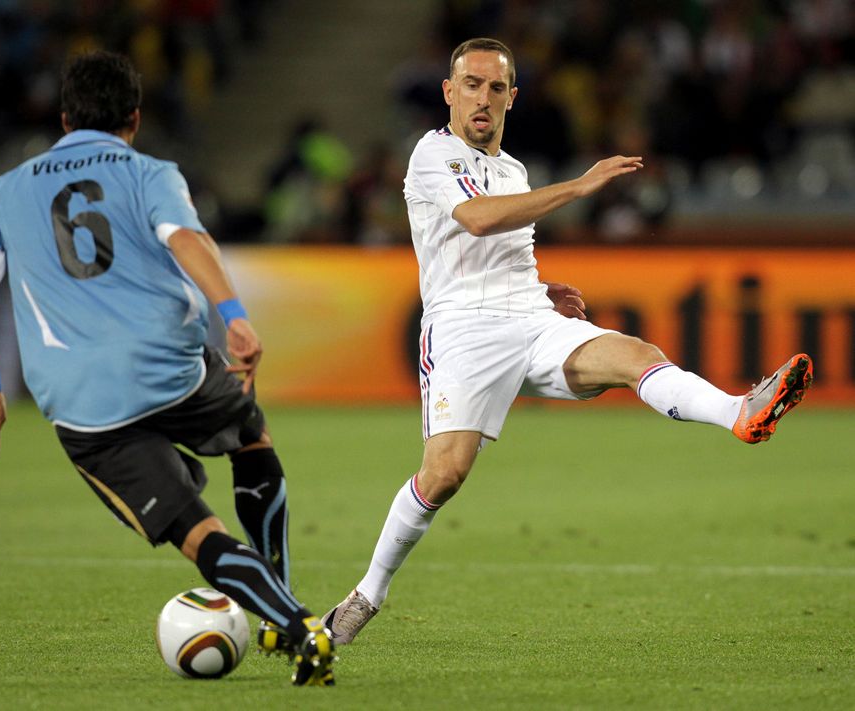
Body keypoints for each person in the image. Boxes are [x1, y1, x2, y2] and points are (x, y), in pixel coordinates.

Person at [321, 37, 813, 644]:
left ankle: (741, 411)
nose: (483, 98)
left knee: (637, 356)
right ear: (448, 93)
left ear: (511, 98)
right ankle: (366, 595)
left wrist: (542, 288)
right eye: (470, 85)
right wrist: (579, 188)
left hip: (529, 318)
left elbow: (499, 242)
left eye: (496, 87)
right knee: (445, 474)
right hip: (463, 331)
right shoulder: (432, 153)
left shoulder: (512, 170)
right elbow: (476, 220)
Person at [0, 50, 334, 686]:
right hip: (171, 366)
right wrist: (234, 315)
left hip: (84, 399)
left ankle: (297, 626)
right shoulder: (149, 171)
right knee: (251, 438)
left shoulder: (4, 192)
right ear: (134, 117)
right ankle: (276, 599)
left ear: (65, 117)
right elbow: (187, 238)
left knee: (194, 529)